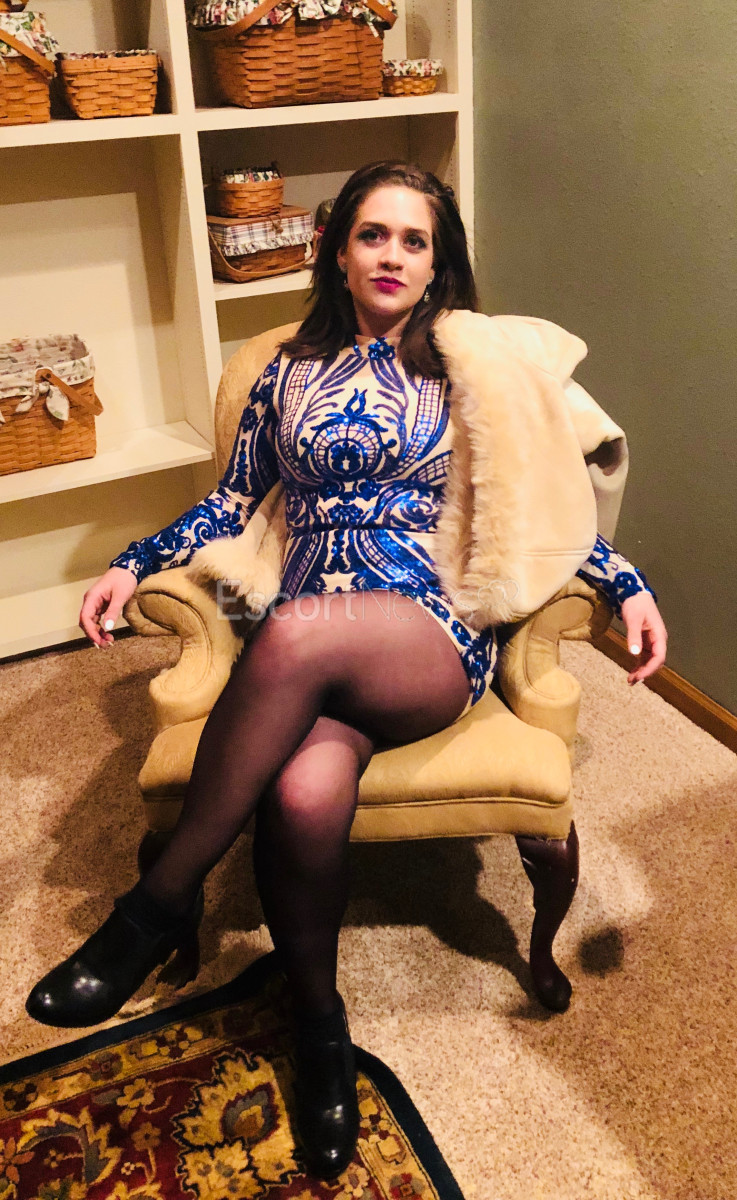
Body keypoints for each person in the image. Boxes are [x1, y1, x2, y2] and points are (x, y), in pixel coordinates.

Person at [26, 161, 668, 1178]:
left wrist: (624, 581)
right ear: (337, 249)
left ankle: (159, 901)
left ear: (437, 264)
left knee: (290, 635)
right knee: (301, 788)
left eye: (415, 241)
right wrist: (131, 562)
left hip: (426, 637)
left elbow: (545, 496)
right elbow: (232, 502)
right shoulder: (284, 372)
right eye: (374, 234)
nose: (392, 256)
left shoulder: (470, 366)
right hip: (311, 639)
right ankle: (322, 1031)